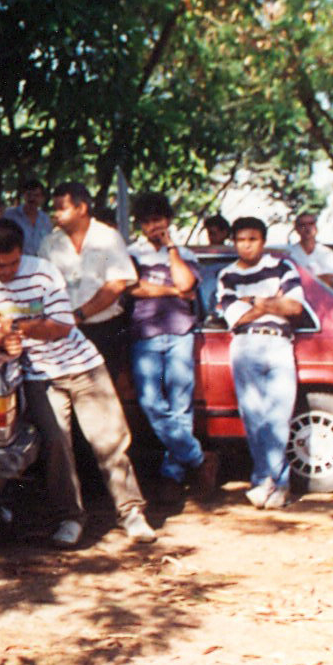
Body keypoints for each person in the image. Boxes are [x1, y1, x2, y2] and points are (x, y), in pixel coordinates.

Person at [0, 219, 157, 547]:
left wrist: (20, 329)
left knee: (109, 440)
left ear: (22, 253)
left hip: (82, 364)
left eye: (12, 264)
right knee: (56, 446)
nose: (5, 272)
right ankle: (70, 517)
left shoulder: (44, 272)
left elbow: (62, 326)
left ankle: (131, 512)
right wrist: (0, 339)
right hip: (39, 376)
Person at [126, 193, 217, 505]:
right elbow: (133, 288)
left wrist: (172, 250)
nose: (154, 226)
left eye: (159, 220)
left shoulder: (184, 252)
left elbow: (187, 284)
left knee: (180, 406)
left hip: (180, 332)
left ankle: (173, 475)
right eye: (148, 221)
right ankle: (198, 458)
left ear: (168, 221)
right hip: (145, 333)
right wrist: (171, 291)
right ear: (140, 223)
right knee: (151, 402)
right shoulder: (131, 253)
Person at [214, 217, 307, 509]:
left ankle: (270, 483)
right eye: (240, 239)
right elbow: (235, 317)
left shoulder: (282, 267)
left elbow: (294, 307)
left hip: (280, 344)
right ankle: (268, 482)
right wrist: (272, 302)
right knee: (253, 418)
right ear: (234, 242)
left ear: (263, 241)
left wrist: (255, 300)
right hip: (245, 345)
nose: (246, 245)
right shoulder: (226, 275)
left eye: (252, 239)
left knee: (278, 417)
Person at [40, 181, 136, 368]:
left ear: (81, 208)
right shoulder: (49, 243)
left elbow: (116, 285)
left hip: (104, 329)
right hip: (63, 331)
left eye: (61, 209)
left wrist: (79, 315)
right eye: (54, 209)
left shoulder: (108, 237)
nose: (56, 214)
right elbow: (42, 288)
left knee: (104, 391)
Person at [285, 210, 333, 282]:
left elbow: (328, 280)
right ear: (297, 229)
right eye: (302, 225)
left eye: (311, 223)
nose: (307, 227)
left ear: (316, 228)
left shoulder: (327, 253)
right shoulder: (289, 254)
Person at [7, 177, 52, 249]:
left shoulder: (46, 219)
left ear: (42, 198)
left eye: (36, 195)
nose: (32, 199)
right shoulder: (10, 216)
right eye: (29, 195)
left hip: (41, 259)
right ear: (24, 196)